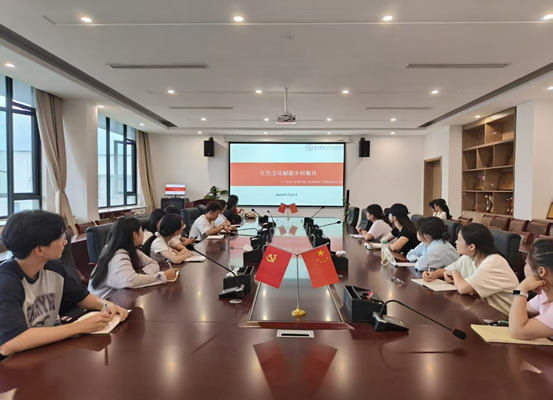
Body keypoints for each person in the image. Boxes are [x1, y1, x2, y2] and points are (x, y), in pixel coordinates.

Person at [0, 211, 128, 360]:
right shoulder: (6, 283)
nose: (65, 241)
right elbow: (9, 343)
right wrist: (80, 327)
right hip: (16, 363)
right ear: (40, 249)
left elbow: (82, 297)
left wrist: (107, 305)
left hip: (49, 351)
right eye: (60, 237)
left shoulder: (53, 268)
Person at [423, 223, 518, 315]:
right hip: (484, 312)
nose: (455, 242)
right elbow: (445, 270)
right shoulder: (468, 257)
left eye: (459, 239)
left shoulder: (493, 263)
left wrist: (454, 273)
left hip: (505, 317)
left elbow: (463, 288)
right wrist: (433, 274)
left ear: (471, 247)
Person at [88, 217, 178, 298]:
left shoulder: (131, 250)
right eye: (141, 230)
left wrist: (140, 274)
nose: (143, 233)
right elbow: (130, 281)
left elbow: (153, 264)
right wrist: (163, 277)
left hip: (119, 299)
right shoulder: (117, 255)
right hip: (102, 305)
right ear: (134, 235)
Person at [509, 240, 553, 340]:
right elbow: (522, 311)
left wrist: (521, 289)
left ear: (541, 271)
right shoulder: (545, 294)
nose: (525, 267)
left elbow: (517, 331)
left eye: (527, 263)